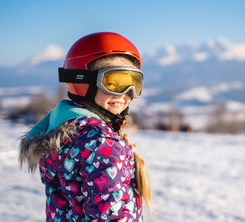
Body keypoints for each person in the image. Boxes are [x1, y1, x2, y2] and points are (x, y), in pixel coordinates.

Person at [19, 32, 151, 222]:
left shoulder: (60, 131)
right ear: (83, 82)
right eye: (114, 83)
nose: (126, 94)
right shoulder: (103, 145)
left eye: (133, 83)